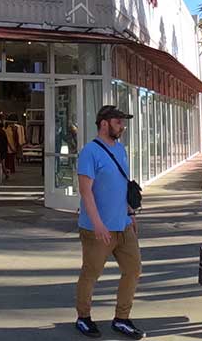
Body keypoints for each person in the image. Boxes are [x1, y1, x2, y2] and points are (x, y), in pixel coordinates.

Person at [74, 105, 145, 340]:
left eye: (123, 122)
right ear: (104, 123)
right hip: (98, 229)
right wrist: (98, 224)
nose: (122, 126)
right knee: (91, 273)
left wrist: (131, 213)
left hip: (123, 224)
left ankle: (121, 319)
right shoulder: (89, 152)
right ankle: (83, 318)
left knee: (133, 270)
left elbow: (122, 185)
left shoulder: (121, 149)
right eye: (118, 122)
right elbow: (86, 192)